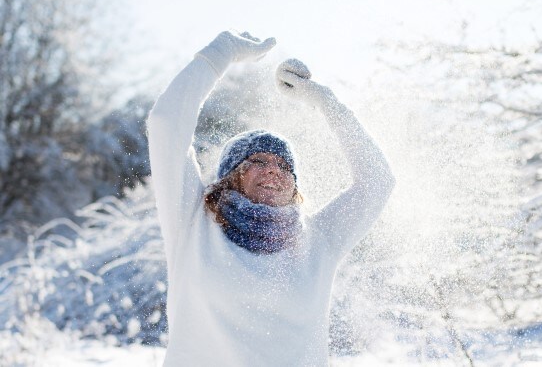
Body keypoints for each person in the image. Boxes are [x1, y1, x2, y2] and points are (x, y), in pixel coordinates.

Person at [147, 30, 395, 366]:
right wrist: (222, 53)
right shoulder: (192, 224)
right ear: (230, 177)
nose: (273, 171)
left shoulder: (317, 241)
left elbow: (378, 181)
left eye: (284, 166)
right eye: (258, 161)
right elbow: (165, 124)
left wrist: (324, 101)